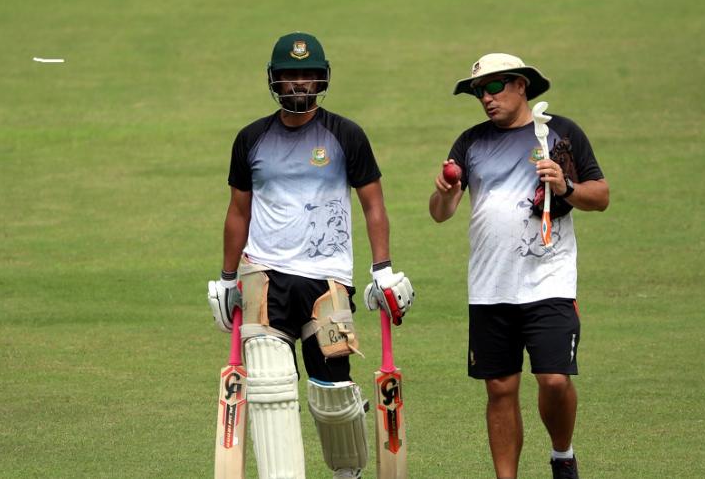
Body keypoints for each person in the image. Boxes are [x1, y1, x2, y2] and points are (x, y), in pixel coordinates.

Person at [207, 32, 414, 479]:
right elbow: (238, 210)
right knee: (268, 386)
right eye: (288, 77)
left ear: (321, 79)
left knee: (332, 393)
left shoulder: (346, 135)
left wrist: (383, 270)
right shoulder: (251, 139)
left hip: (327, 277)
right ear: (274, 82)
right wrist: (226, 279)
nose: (298, 84)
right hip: (263, 274)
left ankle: (346, 471)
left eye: (306, 76)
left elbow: (373, 203)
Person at [429, 53, 609, 479]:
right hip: (490, 285)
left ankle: (562, 455)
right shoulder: (470, 142)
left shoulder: (562, 133)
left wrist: (565, 187)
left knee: (554, 380)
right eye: (478, 91)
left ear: (521, 86)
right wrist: (445, 191)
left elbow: (600, 196)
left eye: (494, 87)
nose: (486, 99)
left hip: (549, 281)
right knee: (500, 388)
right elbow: (440, 213)